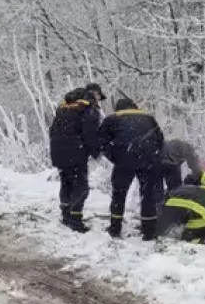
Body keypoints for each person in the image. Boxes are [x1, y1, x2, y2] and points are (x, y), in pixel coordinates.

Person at [98, 97, 164, 240]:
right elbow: (160, 139)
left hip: (124, 160)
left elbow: (102, 141)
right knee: (148, 195)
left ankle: (115, 228)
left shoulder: (112, 119)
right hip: (148, 160)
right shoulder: (148, 118)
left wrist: (114, 157)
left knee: (119, 194)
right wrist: (153, 155)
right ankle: (149, 231)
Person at [48, 85, 103, 232]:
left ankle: (66, 215)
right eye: (99, 97)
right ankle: (75, 220)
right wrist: (96, 152)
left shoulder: (64, 107)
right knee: (81, 186)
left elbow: (52, 130)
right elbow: (90, 134)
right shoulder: (88, 109)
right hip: (76, 151)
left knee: (66, 182)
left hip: (58, 150)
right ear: (94, 94)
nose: (99, 100)